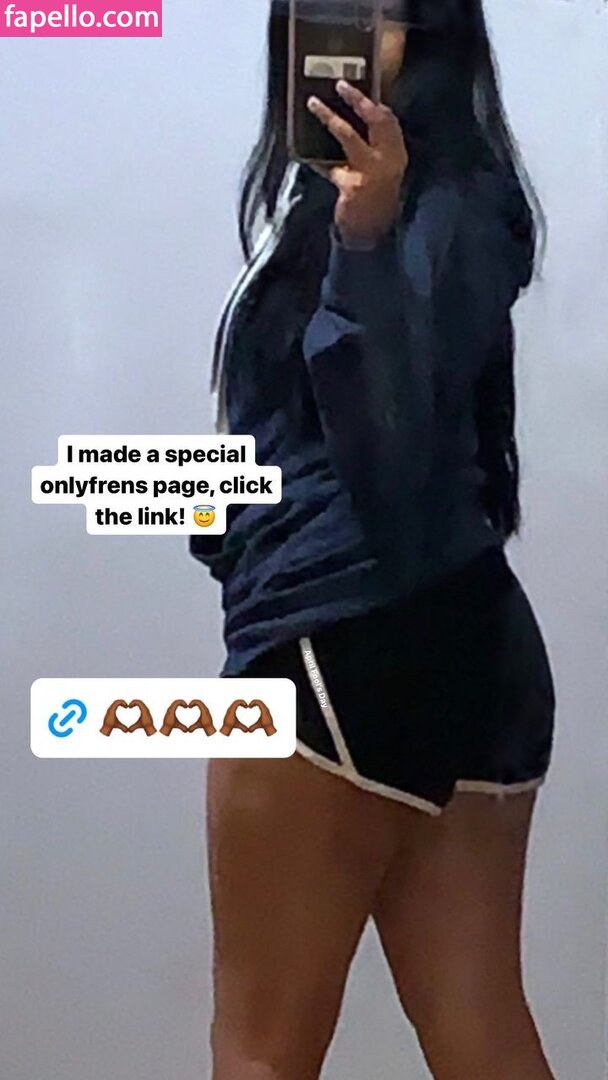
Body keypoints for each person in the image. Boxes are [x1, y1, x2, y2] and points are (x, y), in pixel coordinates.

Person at [190, 1, 558, 1076]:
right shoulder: (336, 199)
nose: (347, 35)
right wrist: (210, 520)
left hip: (339, 643)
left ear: (435, 34)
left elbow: (386, 442)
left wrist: (364, 238)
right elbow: (281, 446)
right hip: (476, 646)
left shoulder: (440, 202)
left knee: (259, 1051)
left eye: (383, 13)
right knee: (480, 1030)